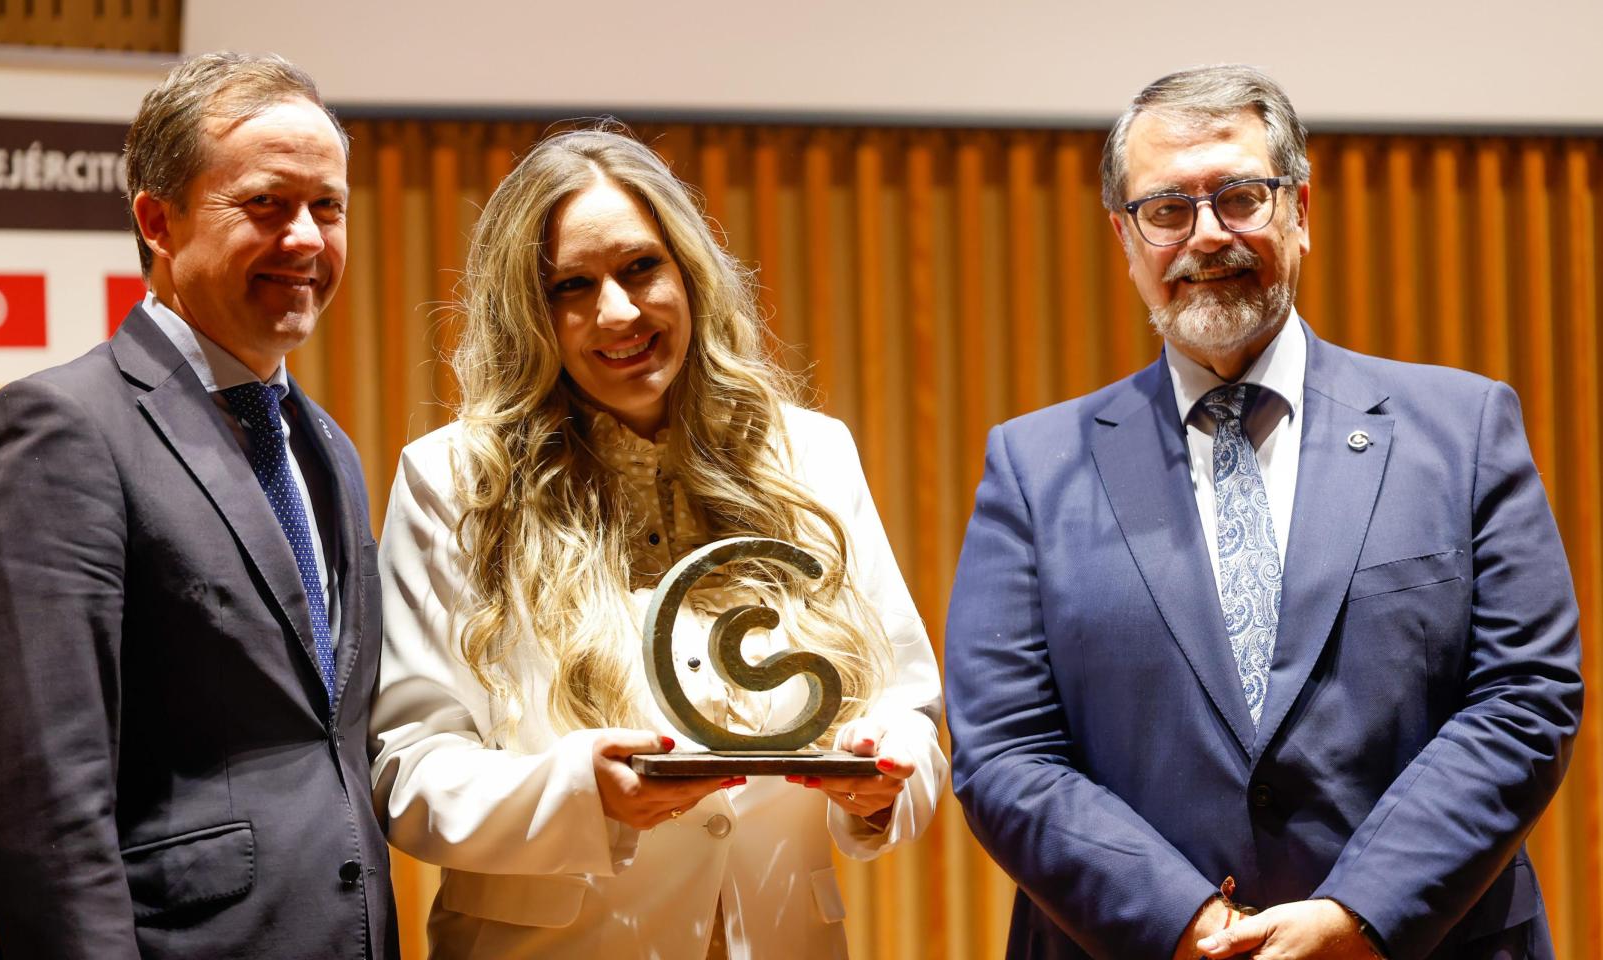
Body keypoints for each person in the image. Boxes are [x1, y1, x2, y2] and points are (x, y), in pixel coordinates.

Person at [945, 65, 1582, 960]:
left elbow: (1524, 698)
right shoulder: (1032, 465)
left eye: (1240, 197)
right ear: (1126, 240)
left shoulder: (1464, 428)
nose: (1206, 236)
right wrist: (1188, 924)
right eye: (1166, 210)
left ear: (1301, 212)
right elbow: (1004, 750)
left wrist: (1360, 913)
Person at [370, 127, 944, 958]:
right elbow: (411, 768)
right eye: (572, 285)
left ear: (688, 272)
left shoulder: (812, 453)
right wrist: (577, 794)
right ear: (527, 312)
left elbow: (908, 706)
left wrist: (884, 780)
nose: (619, 312)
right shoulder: (454, 481)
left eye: (641, 267)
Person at [0, 52, 398, 960]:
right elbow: (42, 807)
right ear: (158, 220)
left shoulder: (329, 447)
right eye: (267, 203)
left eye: (329, 206)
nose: (307, 237)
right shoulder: (58, 430)